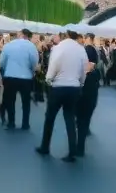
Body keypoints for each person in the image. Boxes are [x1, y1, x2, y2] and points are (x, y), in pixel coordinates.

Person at [36, 30, 87, 162]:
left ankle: (45, 146)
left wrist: (48, 79)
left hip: (58, 87)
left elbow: (53, 66)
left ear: (66, 35)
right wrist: (81, 83)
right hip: (74, 87)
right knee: (70, 118)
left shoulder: (58, 48)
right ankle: (72, 151)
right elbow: (84, 70)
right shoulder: (81, 49)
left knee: (50, 117)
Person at [0, 28, 39, 130]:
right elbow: (34, 62)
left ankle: (11, 122)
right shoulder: (31, 46)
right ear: (28, 36)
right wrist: (31, 70)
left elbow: (2, 62)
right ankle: (25, 123)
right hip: (26, 77)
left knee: (10, 101)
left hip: (10, 76)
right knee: (26, 102)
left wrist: (7, 69)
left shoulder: (8, 45)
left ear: (20, 34)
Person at [75, 33, 100, 157]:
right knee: (84, 116)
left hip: (84, 89)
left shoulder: (88, 50)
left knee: (81, 117)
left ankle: (78, 146)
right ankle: (80, 145)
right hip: (90, 90)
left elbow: (88, 66)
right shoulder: (92, 50)